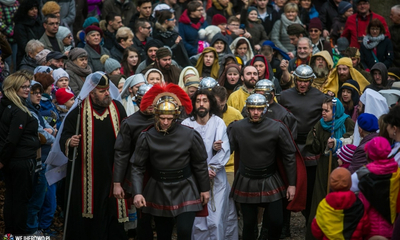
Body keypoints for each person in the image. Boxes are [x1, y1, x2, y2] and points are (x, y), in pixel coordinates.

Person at [131, 83, 210, 240]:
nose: (165, 122)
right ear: (156, 116)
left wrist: (205, 189)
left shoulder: (190, 135)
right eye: (162, 118)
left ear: (175, 116)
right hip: (158, 188)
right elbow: (137, 167)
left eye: (169, 118)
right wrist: (138, 192)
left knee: (184, 231)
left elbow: (200, 164)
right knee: (163, 234)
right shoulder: (146, 136)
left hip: (185, 186)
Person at [59, 72, 128, 239]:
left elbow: (128, 135)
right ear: (91, 92)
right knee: (88, 215)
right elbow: (65, 137)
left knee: (111, 212)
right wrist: (70, 141)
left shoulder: (117, 108)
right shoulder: (79, 111)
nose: (107, 93)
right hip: (86, 175)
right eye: (102, 91)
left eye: (107, 90)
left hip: (112, 171)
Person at [228, 93, 297, 240]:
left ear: (265, 109)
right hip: (246, 179)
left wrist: (292, 184)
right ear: (247, 109)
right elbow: (226, 150)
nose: (255, 112)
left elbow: (289, 155)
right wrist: (216, 149)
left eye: (259, 109)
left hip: (270, 178)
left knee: (277, 221)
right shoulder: (237, 127)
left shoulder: (277, 127)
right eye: (252, 109)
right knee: (249, 223)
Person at [182, 89, 238, 240]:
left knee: (217, 219)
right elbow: (182, 152)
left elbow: (224, 148)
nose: (201, 104)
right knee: (198, 222)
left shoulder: (218, 122)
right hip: (194, 180)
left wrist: (211, 168)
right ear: (193, 104)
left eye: (205, 101)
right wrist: (201, 171)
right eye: (198, 101)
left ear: (210, 103)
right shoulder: (186, 124)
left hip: (216, 178)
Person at [278, 64, 327, 223]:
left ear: (311, 81)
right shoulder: (285, 96)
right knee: (286, 185)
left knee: (311, 187)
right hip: (289, 147)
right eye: (300, 80)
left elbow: (326, 119)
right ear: (295, 80)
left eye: (306, 81)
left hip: (310, 148)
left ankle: (310, 221)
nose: (303, 84)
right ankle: (284, 224)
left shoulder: (320, 97)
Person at [305, 97, 355, 240]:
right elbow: (313, 147)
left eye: (326, 110)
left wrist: (337, 143)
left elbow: (352, 140)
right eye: (322, 110)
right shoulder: (321, 124)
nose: (323, 113)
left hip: (341, 165)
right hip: (324, 165)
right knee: (320, 198)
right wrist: (315, 140)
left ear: (335, 111)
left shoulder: (347, 122)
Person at [0, 71, 41, 235]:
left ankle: (10, 236)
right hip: (20, 161)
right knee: (19, 202)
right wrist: (2, 160)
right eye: (23, 86)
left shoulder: (9, 106)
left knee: (12, 199)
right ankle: (18, 236)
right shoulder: (18, 111)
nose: (27, 89)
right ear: (13, 88)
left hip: (15, 160)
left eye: (28, 86)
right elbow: (12, 139)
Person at [353, 137, 400, 239]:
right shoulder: (397, 173)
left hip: (371, 229)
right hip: (393, 228)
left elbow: (361, 207)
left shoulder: (365, 175)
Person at [311, 168, 369, 240]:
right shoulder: (358, 204)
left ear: (331, 184)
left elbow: (316, 230)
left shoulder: (324, 205)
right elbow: (365, 229)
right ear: (350, 183)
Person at [14, 0, 44, 65]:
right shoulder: (20, 25)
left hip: (40, 55)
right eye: (31, 9)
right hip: (26, 58)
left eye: (36, 8)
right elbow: (23, 44)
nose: (34, 11)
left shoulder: (39, 22)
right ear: (25, 10)